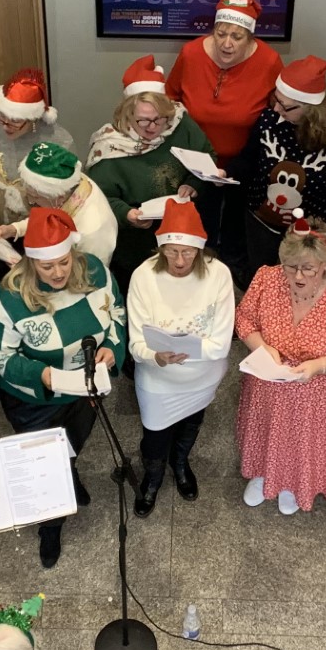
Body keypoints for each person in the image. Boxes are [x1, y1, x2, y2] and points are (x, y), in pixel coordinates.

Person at [0, 207, 124, 568]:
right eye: (48, 267)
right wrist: (39, 374)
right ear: (31, 264)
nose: (59, 273)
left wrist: (114, 346)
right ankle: (51, 524)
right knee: (42, 465)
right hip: (34, 400)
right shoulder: (7, 298)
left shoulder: (94, 269)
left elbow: (117, 313)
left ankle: (70, 475)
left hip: (84, 390)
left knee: (71, 446)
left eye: (64, 262)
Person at [234, 218, 326, 515]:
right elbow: (243, 319)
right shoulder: (266, 278)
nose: (296, 275)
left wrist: (318, 366)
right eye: (290, 265)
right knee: (266, 431)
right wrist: (263, 347)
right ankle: (264, 473)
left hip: (317, 390)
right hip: (269, 384)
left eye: (307, 268)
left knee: (304, 442)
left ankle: (296, 484)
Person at [125, 199, 234, 516]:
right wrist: (156, 356)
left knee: (191, 424)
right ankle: (153, 476)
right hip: (158, 378)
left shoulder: (219, 275)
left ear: (200, 249)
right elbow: (136, 344)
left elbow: (222, 344)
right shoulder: (144, 276)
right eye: (171, 251)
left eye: (187, 252)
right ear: (160, 248)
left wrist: (179, 352)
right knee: (155, 435)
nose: (179, 259)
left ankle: (181, 463)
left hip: (202, 378)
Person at [165, 0, 284, 259]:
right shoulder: (192, 53)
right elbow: (170, 98)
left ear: (251, 38)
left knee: (237, 231)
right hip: (196, 161)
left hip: (245, 163)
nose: (226, 44)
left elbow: (279, 111)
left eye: (236, 37)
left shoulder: (269, 61)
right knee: (196, 226)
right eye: (221, 34)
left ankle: (234, 277)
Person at [86, 57, 216, 294]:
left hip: (182, 233)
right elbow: (98, 199)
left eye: (159, 119)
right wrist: (128, 214)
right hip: (136, 241)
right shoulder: (108, 149)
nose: (152, 127)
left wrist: (194, 183)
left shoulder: (179, 124)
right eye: (142, 120)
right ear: (126, 115)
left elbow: (207, 155)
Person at [0, 68, 74, 303]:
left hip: (39, 231)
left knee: (37, 293)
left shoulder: (59, 141)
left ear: (35, 118)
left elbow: (66, 202)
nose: (5, 125)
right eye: (2, 116)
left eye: (15, 121)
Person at [236, 56, 326, 281]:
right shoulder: (268, 120)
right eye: (276, 99)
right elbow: (247, 158)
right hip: (262, 221)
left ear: (311, 109)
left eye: (284, 105)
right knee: (262, 278)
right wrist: (226, 174)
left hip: (311, 229)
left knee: (305, 281)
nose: (276, 108)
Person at [0, 142, 118, 274]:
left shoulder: (92, 231)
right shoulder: (70, 185)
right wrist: (12, 229)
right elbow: (49, 214)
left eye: (36, 197)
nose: (31, 202)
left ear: (58, 197)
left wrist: (27, 275)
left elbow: (90, 277)